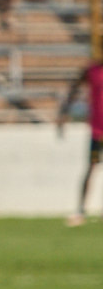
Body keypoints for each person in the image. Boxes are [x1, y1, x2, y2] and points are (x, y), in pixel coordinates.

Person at [57, 59, 103, 224]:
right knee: (91, 168)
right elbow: (74, 88)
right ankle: (81, 211)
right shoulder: (91, 70)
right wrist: (64, 112)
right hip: (98, 132)